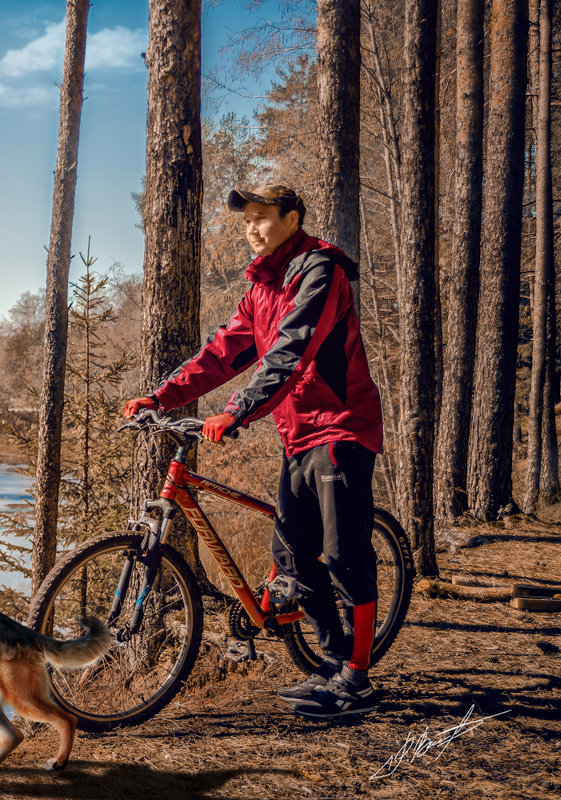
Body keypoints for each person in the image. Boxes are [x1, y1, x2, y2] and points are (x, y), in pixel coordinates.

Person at [123, 184, 384, 719]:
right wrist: (161, 395)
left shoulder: (320, 271)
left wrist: (237, 410)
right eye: (246, 221)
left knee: (343, 555)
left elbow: (294, 346)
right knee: (293, 558)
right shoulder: (261, 286)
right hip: (297, 433)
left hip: (341, 427)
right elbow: (222, 353)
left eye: (262, 217)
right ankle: (332, 666)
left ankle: (357, 679)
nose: (251, 229)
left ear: (292, 218)